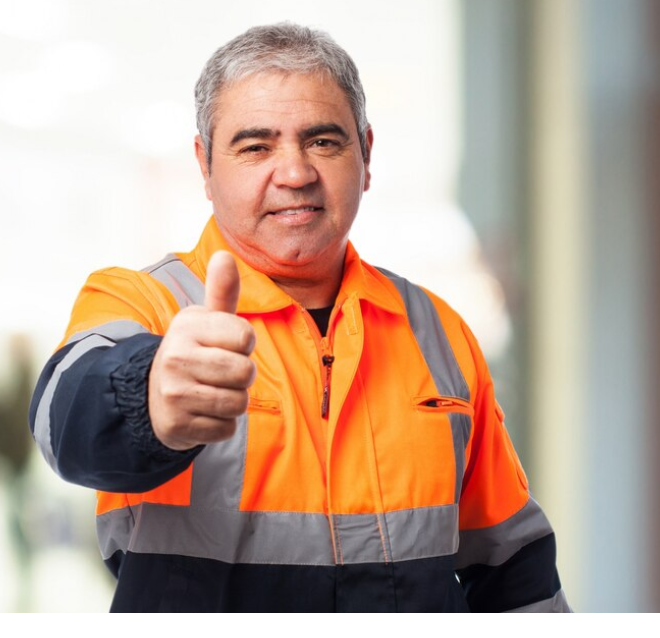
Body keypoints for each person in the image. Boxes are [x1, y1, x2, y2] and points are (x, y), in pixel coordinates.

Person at [29, 23, 570, 613]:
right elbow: (66, 418)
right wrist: (147, 395)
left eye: (323, 141)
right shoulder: (142, 302)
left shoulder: (437, 330)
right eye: (256, 146)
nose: (294, 172)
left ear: (365, 156)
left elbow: (513, 567)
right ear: (205, 166)